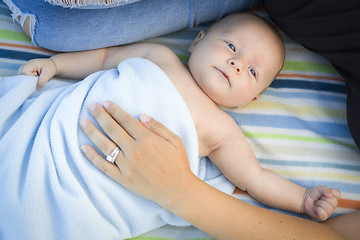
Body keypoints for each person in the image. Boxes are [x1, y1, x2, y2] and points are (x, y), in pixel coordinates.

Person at [19, 12, 340, 222]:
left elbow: (254, 178)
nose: (237, 64)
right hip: (55, 134)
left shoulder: (222, 131)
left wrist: (301, 200)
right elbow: (103, 57)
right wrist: (56, 66)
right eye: (231, 45)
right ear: (198, 40)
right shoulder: (159, 56)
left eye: (252, 71)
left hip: (91, 190)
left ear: (251, 99)